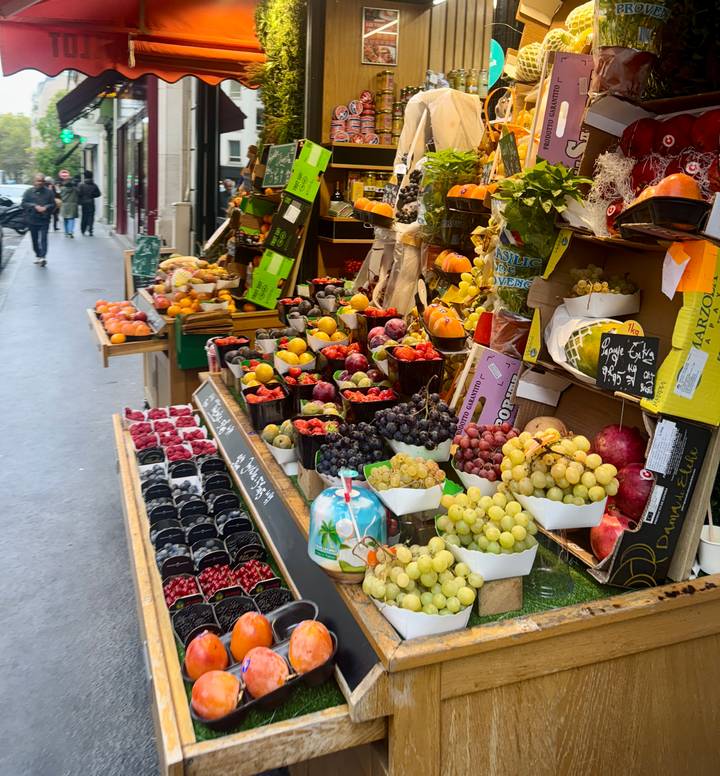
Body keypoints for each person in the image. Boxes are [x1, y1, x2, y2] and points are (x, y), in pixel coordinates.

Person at [21, 172, 56, 266]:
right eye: (38, 181)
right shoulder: (28, 192)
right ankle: (38, 254)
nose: (39, 183)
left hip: (44, 219)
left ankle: (43, 257)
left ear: (44, 182)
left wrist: (46, 207)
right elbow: (23, 203)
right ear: (34, 181)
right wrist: (34, 206)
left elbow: (53, 204)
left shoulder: (49, 192)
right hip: (32, 219)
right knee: (35, 240)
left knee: (43, 239)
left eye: (41, 181)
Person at [78, 170, 101, 236]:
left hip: (84, 203)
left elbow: (79, 194)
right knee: (91, 216)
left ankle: (83, 229)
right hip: (91, 202)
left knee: (84, 216)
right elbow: (98, 194)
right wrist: (92, 195)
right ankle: (90, 229)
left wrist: (80, 200)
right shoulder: (94, 185)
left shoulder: (81, 185)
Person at [58, 169, 78, 237]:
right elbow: (79, 193)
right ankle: (70, 231)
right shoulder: (75, 189)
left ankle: (66, 232)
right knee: (71, 219)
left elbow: (59, 196)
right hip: (73, 205)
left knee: (65, 219)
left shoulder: (62, 189)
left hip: (64, 205)